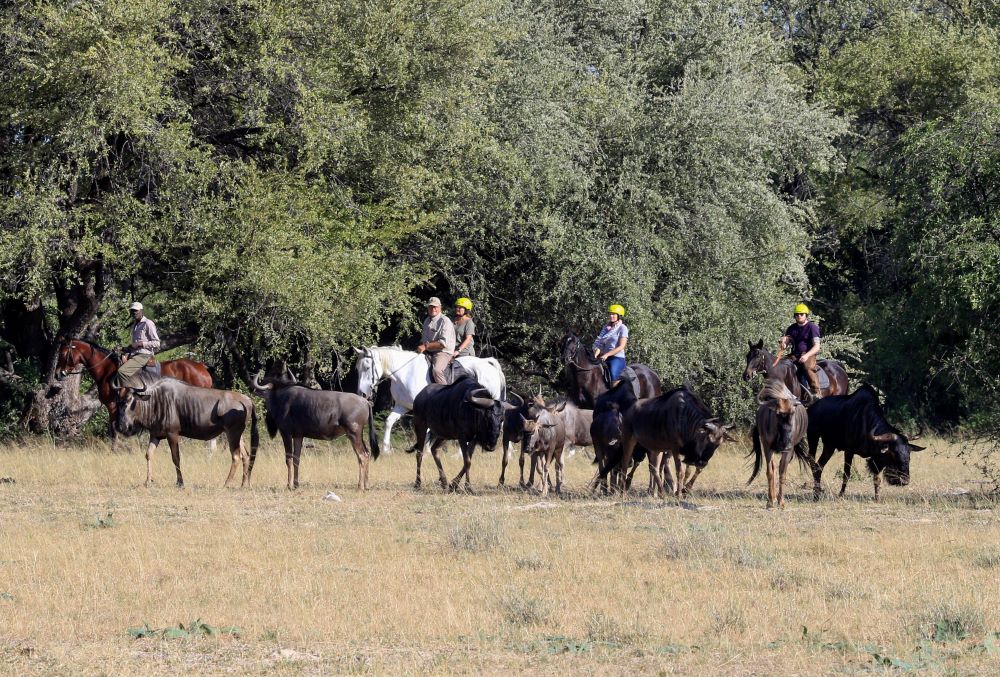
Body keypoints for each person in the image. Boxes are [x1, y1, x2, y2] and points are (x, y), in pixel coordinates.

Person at [780, 303, 823, 399]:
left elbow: (817, 346)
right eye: (797, 314)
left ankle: (817, 393)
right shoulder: (791, 328)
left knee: (808, 367)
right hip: (794, 354)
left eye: (801, 314)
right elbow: (787, 341)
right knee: (781, 364)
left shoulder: (812, 327)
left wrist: (807, 356)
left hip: (808, 354)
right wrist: (784, 343)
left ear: (806, 315)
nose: (799, 316)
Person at [114, 301, 160, 389]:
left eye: (136, 310)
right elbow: (135, 346)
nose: (134, 313)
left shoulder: (148, 323)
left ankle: (130, 393)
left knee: (122, 371)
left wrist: (141, 343)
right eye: (132, 311)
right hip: (135, 354)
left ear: (141, 311)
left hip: (144, 355)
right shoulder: (135, 325)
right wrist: (123, 349)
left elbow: (157, 343)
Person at [416, 296, 456, 384]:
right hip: (429, 351)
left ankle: (445, 395)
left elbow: (443, 344)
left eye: (435, 306)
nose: (433, 308)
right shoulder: (427, 320)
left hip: (443, 352)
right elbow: (424, 339)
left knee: (437, 370)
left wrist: (426, 346)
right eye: (431, 306)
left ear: (440, 307)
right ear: (428, 308)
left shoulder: (445, 321)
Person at [593, 303, 629, 383]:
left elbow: (621, 347)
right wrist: (595, 355)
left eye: (613, 314)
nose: (611, 316)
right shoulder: (606, 328)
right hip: (603, 357)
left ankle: (616, 394)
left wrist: (607, 354)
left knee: (613, 375)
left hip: (616, 358)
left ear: (619, 316)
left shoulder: (623, 328)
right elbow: (600, 344)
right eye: (610, 314)